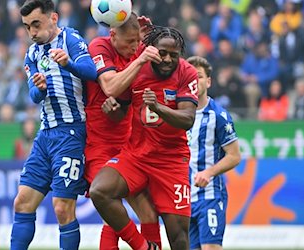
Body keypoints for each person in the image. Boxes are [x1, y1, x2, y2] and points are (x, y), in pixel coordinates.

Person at [90, 25, 199, 250]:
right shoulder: (136, 69)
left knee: (178, 237)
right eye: (162, 53)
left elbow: (188, 119)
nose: (168, 59)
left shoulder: (187, 72)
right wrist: (112, 110)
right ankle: (143, 247)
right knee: (99, 191)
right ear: (151, 50)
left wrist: (157, 107)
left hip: (171, 161)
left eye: (174, 55)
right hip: (136, 155)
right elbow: (122, 109)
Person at [10, 1, 97, 250]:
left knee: (62, 207)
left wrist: (68, 63)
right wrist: (39, 88)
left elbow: (92, 71)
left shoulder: (71, 38)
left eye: (36, 24)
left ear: (54, 18)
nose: (32, 32)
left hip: (71, 134)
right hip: (45, 135)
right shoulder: (32, 53)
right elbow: (34, 97)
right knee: (22, 202)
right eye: (27, 27)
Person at [84, 13, 164, 249]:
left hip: (130, 144)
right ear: (112, 35)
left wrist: (148, 36)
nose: (134, 47)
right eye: (129, 42)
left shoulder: (137, 49)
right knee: (111, 208)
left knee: (148, 211)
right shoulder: (100, 46)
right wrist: (139, 61)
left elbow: (122, 105)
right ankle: (143, 247)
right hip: (100, 143)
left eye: (136, 41)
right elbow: (110, 87)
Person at [185, 56, 241, 250]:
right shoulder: (178, 113)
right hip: (184, 198)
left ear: (208, 81)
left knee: (210, 247)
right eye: (190, 76)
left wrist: (208, 173)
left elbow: (234, 155)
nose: (194, 81)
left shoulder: (218, 115)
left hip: (210, 196)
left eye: (199, 76)